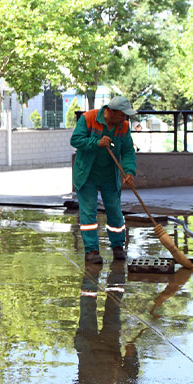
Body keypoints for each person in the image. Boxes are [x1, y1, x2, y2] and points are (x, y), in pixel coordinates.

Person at [70, 95, 137, 265]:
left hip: (109, 175)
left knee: (115, 211)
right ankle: (92, 250)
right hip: (87, 174)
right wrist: (97, 142)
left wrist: (129, 172)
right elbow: (76, 140)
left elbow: (128, 150)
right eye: (123, 115)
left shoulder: (123, 126)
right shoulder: (88, 118)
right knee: (89, 212)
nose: (125, 118)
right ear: (111, 111)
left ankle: (118, 246)